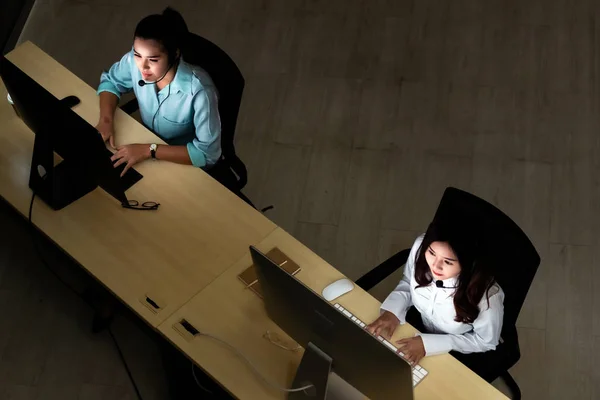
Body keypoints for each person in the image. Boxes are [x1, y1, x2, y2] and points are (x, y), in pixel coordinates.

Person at [366, 222, 504, 377]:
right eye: (431, 253)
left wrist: (428, 345)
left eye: (447, 261)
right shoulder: (421, 247)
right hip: (418, 323)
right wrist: (392, 311)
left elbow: (486, 341)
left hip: (459, 347)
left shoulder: (487, 297)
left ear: (468, 263)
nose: (435, 266)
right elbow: (408, 282)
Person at [95, 7, 221, 177]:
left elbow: (207, 154)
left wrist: (149, 150)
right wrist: (106, 120)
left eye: (153, 60)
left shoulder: (200, 92)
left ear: (175, 54)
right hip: (144, 143)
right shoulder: (135, 62)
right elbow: (111, 81)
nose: (142, 66)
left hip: (180, 162)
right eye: (137, 54)